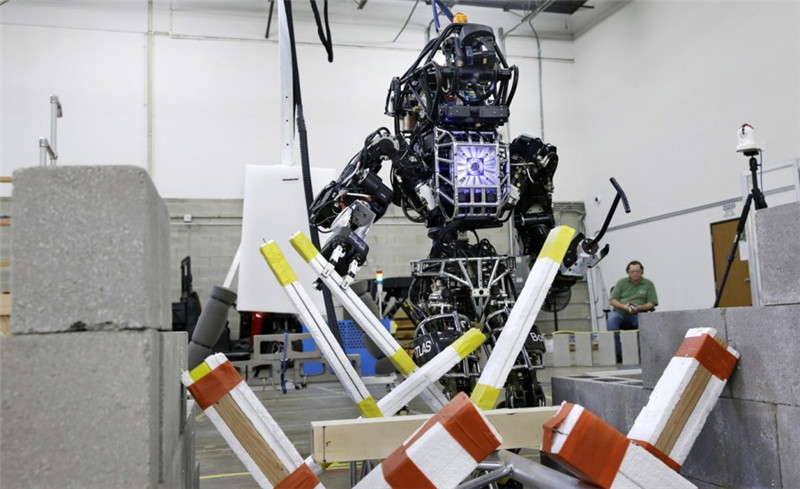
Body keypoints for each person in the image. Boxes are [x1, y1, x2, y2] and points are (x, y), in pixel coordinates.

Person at [607, 260, 658, 363]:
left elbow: (652, 302)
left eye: (637, 271)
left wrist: (639, 307)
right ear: (628, 272)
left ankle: (643, 353)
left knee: (645, 324)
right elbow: (612, 300)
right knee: (611, 321)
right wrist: (624, 306)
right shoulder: (621, 283)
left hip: (638, 313)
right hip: (620, 312)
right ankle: (618, 354)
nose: (635, 274)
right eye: (632, 271)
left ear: (642, 272)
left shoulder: (648, 284)